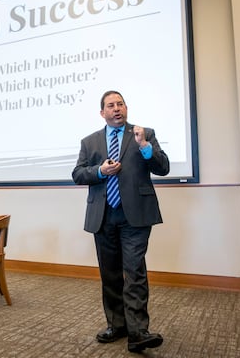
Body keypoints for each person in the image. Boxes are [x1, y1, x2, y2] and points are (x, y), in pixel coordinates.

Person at [72, 90, 170, 353]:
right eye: (111, 106)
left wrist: (145, 147)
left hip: (135, 215)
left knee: (134, 270)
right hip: (103, 215)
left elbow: (163, 168)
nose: (117, 109)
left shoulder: (143, 134)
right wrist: (100, 171)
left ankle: (138, 331)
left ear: (126, 108)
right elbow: (78, 174)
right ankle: (117, 325)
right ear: (102, 113)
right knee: (110, 273)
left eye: (121, 104)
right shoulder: (89, 141)